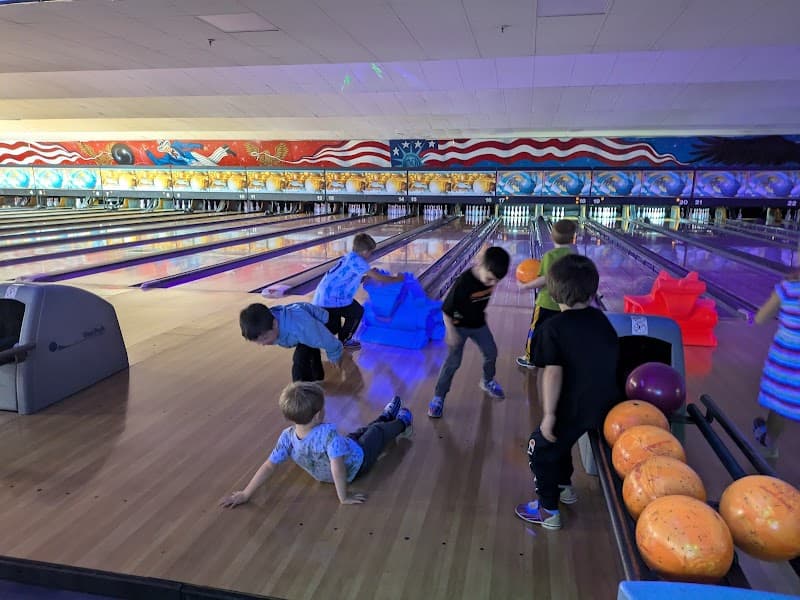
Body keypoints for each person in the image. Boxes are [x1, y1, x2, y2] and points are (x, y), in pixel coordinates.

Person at [514, 254, 619, 530]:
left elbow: (552, 372)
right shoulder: (601, 319)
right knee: (561, 441)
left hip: (576, 404)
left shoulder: (552, 328)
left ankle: (548, 510)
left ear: (551, 290)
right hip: (608, 403)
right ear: (592, 289)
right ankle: (564, 487)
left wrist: (549, 415)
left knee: (539, 446)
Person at [220, 382, 413, 506]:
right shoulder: (329, 436)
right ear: (318, 414)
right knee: (376, 433)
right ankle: (403, 422)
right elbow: (338, 468)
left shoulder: (287, 437)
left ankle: (385, 415)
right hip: (358, 463)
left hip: (346, 450)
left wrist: (246, 493)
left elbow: (269, 465)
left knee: (361, 432)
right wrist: (343, 497)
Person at [428, 246, 511, 418]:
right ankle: (438, 397)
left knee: (491, 353)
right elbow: (446, 310)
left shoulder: (489, 275)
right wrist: (450, 332)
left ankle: (487, 381)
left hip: (478, 323)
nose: (493, 284)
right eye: (490, 280)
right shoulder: (463, 283)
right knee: (452, 363)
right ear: (482, 265)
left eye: (497, 281)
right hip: (458, 326)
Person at [313, 233, 404, 350]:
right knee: (357, 312)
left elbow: (349, 279)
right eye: (371, 252)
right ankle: (344, 340)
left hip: (324, 297)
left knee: (333, 327)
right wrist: (397, 279)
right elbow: (379, 278)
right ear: (365, 251)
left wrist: (368, 276)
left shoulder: (350, 257)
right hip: (333, 298)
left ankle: (313, 338)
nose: (371, 254)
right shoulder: (359, 261)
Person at [751, 270, 800, 459]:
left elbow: (760, 318)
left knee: (780, 405)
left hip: (787, 358)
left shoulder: (788, 289)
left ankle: (770, 445)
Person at [516, 219, 577, 369]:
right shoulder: (573, 255)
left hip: (546, 302)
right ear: (573, 238)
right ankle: (559, 358)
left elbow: (544, 279)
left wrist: (526, 286)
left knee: (535, 330)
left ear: (551, 236)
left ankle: (530, 358)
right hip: (565, 304)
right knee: (559, 332)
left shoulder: (549, 256)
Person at [240, 302, 342, 383]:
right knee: (309, 349)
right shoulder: (268, 321)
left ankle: (301, 394)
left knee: (300, 358)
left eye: (265, 338)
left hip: (329, 323)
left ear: (275, 324)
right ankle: (317, 379)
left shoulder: (300, 327)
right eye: (258, 342)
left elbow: (326, 340)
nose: (263, 344)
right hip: (308, 329)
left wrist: (334, 355)